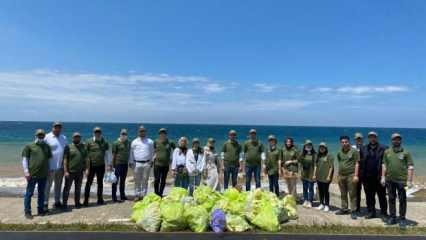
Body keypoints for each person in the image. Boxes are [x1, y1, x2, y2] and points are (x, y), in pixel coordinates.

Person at [382, 133, 414, 227]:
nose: (396, 141)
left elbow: (410, 166)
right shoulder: (387, 152)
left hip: (402, 181)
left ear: (400, 140)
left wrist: (409, 180)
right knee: (391, 198)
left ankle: (402, 218)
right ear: (391, 140)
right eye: (394, 139)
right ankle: (392, 217)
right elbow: (384, 165)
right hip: (390, 180)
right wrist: (383, 177)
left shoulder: (406, 152)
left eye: (398, 139)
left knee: (402, 199)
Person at [22, 129, 52, 219]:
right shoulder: (29, 146)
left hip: (43, 174)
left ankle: (40, 210)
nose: (41, 136)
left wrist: (49, 170)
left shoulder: (47, 146)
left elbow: (49, 159)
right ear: (36, 135)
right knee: (29, 193)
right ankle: (27, 211)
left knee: (41, 193)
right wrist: (26, 172)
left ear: (44, 136)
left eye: (42, 135)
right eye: (39, 135)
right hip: (32, 174)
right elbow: (25, 159)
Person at [363, 131, 388, 220]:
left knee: (382, 196)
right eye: (370, 137)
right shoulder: (364, 148)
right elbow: (360, 162)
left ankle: (384, 213)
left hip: (379, 177)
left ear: (376, 138)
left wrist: (384, 176)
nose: (372, 138)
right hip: (367, 177)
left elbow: (386, 163)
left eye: (374, 137)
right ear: (368, 138)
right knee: (369, 196)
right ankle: (371, 212)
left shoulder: (384, 148)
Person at [84, 127, 111, 206]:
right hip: (91, 166)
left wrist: (109, 164)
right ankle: (86, 200)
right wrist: (86, 167)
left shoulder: (104, 142)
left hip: (101, 166)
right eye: (96, 132)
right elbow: (85, 155)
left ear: (101, 133)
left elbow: (108, 153)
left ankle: (100, 199)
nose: (97, 133)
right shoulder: (88, 141)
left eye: (99, 132)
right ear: (93, 132)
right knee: (89, 183)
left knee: (100, 183)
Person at [44, 122, 67, 211]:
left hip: (60, 167)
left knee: (58, 186)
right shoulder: (46, 137)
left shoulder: (63, 137)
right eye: (56, 127)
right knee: (47, 186)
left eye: (59, 127)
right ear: (52, 127)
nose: (57, 129)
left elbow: (65, 152)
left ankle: (57, 202)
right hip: (50, 168)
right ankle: (45, 203)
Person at [336, 136, 360, 220]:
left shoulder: (354, 151)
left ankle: (353, 211)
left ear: (349, 142)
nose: (344, 143)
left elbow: (357, 163)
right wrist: (338, 174)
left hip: (351, 175)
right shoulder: (339, 152)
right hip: (341, 175)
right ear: (340, 143)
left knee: (352, 194)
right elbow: (340, 162)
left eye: (346, 142)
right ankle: (344, 209)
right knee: (343, 193)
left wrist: (356, 175)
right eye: (342, 142)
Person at [129, 125, 154, 202]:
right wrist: (131, 162)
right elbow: (131, 153)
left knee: (145, 180)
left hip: (147, 163)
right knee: (137, 180)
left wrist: (151, 161)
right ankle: (137, 195)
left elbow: (152, 152)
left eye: (143, 131)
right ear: (138, 132)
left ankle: (144, 195)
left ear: (145, 132)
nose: (142, 132)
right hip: (137, 163)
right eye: (140, 131)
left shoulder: (150, 141)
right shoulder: (134, 142)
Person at [62, 132, 87, 209]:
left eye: (78, 137)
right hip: (70, 172)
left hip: (79, 172)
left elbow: (86, 159)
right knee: (67, 188)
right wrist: (65, 171)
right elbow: (65, 160)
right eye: (75, 137)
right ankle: (64, 204)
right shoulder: (68, 147)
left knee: (78, 188)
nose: (77, 138)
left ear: (80, 138)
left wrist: (86, 169)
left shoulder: (83, 147)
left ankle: (77, 203)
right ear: (73, 138)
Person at [153, 128, 175, 197]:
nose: (162, 134)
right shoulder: (156, 141)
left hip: (165, 165)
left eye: (164, 133)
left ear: (166, 134)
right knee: (156, 179)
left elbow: (176, 150)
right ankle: (156, 193)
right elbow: (154, 150)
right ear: (159, 134)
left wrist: (172, 158)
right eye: (161, 133)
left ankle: (160, 194)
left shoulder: (170, 142)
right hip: (157, 164)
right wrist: (153, 156)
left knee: (163, 180)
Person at [111, 129, 131, 202]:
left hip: (125, 164)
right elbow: (113, 155)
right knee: (115, 181)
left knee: (123, 181)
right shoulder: (115, 143)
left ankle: (122, 195)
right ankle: (114, 197)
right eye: (122, 134)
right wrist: (113, 166)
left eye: (125, 134)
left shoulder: (128, 142)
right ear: (120, 134)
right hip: (117, 164)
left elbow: (129, 152)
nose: (124, 135)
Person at [315, 142, 334, 212]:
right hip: (319, 176)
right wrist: (314, 174)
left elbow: (331, 167)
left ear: (326, 148)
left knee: (326, 191)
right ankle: (321, 204)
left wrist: (329, 176)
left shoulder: (329, 155)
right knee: (320, 191)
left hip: (326, 177)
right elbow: (316, 166)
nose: (321, 148)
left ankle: (327, 205)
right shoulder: (318, 155)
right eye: (320, 147)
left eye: (323, 147)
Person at [298, 140, 317, 208]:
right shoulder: (303, 154)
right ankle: (305, 200)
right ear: (305, 146)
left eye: (309, 145)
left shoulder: (314, 154)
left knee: (310, 188)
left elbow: (315, 165)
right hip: (304, 174)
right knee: (305, 188)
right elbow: (300, 163)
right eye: (307, 145)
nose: (308, 146)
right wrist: (300, 173)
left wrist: (314, 174)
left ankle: (310, 201)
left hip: (311, 174)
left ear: (311, 146)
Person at [352, 132, 365, 214]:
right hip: (355, 172)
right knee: (356, 191)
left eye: (360, 138)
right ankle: (357, 207)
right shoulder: (352, 148)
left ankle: (370, 208)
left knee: (368, 191)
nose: (358, 140)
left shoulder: (365, 147)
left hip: (365, 172)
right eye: (357, 139)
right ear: (355, 140)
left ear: (362, 139)